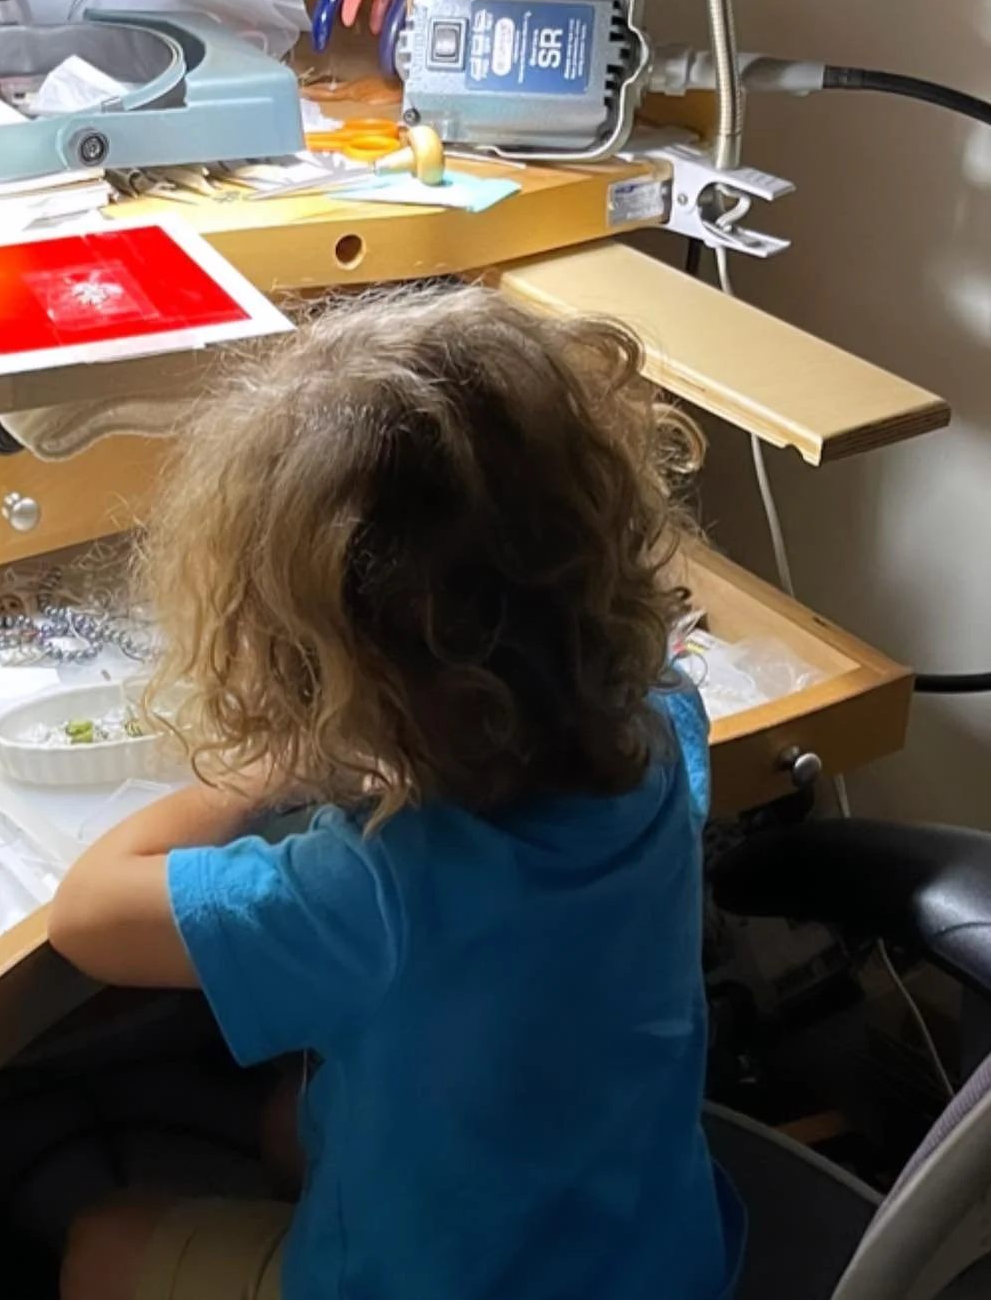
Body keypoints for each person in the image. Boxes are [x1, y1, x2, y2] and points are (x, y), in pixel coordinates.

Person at [48, 284, 745, 1300]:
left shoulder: (372, 896)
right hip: (655, 1262)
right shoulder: (661, 723)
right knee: (294, 1118)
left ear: (329, 663)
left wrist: (270, 771)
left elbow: (86, 912)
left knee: (102, 1242)